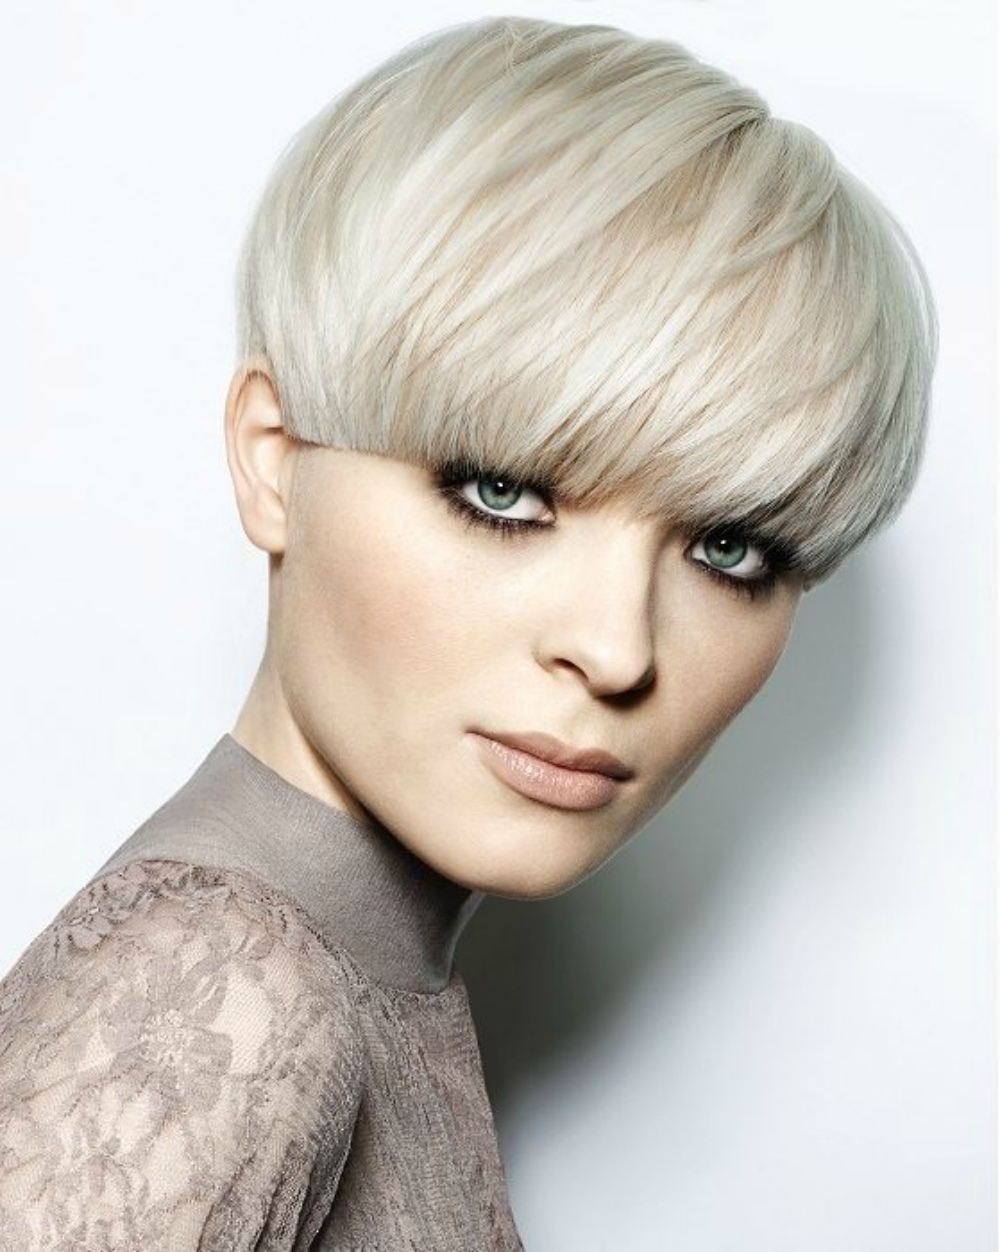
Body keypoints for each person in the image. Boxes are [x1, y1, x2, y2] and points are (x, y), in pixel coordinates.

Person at [0, 14, 937, 1249]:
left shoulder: (348, 977)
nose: (617, 651)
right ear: (273, 460)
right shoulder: (213, 991)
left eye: (728, 546)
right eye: (503, 490)